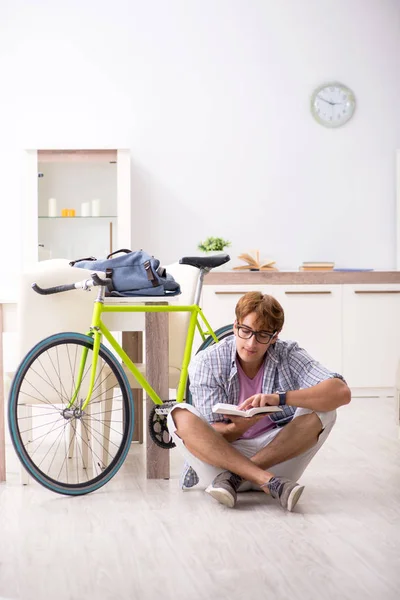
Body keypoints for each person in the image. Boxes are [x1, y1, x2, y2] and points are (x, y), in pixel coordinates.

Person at [167, 291, 351, 512]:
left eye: (263, 335)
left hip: (275, 458)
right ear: (235, 326)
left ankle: (237, 479)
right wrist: (238, 427)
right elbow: (207, 434)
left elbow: (341, 392)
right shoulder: (208, 361)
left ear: (275, 336)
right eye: (246, 331)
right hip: (222, 460)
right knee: (177, 414)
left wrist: (280, 398)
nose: (252, 343)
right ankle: (267, 481)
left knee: (325, 411)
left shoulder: (287, 354)